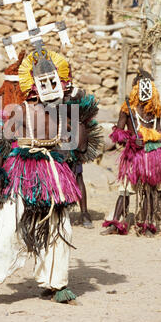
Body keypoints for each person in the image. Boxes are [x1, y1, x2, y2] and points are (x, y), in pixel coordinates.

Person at [0, 45, 97, 309]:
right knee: (8, 227)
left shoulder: (64, 113)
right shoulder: (21, 111)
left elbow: (79, 149)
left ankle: (56, 284)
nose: (51, 87)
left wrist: (81, 114)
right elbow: (2, 142)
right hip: (21, 173)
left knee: (59, 227)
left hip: (52, 174)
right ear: (33, 85)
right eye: (44, 82)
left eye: (55, 81)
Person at [101, 69, 161, 237]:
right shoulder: (127, 109)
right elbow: (117, 132)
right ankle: (115, 223)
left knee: (150, 191)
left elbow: (158, 130)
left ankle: (146, 225)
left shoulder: (154, 109)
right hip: (133, 155)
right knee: (125, 189)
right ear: (135, 88)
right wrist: (130, 140)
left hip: (152, 155)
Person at [64, 79, 102, 229]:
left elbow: (81, 119)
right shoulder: (52, 95)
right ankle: (62, 211)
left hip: (75, 141)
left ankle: (84, 213)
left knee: (78, 176)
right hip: (58, 141)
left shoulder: (75, 93)